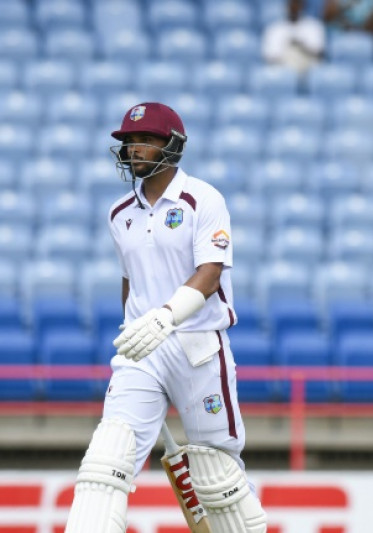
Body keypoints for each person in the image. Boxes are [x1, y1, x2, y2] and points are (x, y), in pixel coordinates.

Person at [64, 102, 266, 532]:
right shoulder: (119, 212)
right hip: (142, 349)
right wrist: (135, 326)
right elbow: (131, 280)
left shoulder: (203, 199)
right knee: (106, 461)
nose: (134, 149)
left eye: (145, 140)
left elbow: (210, 274)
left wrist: (165, 318)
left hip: (197, 347)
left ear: (172, 145)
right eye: (129, 142)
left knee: (218, 475)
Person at [262, 0, 326, 74]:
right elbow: (270, 56)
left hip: (307, 67)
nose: (294, 7)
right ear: (286, 6)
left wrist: (300, 45)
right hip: (282, 68)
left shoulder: (314, 26)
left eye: (297, 4)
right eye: (292, 4)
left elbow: (319, 53)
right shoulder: (274, 29)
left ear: (302, 6)